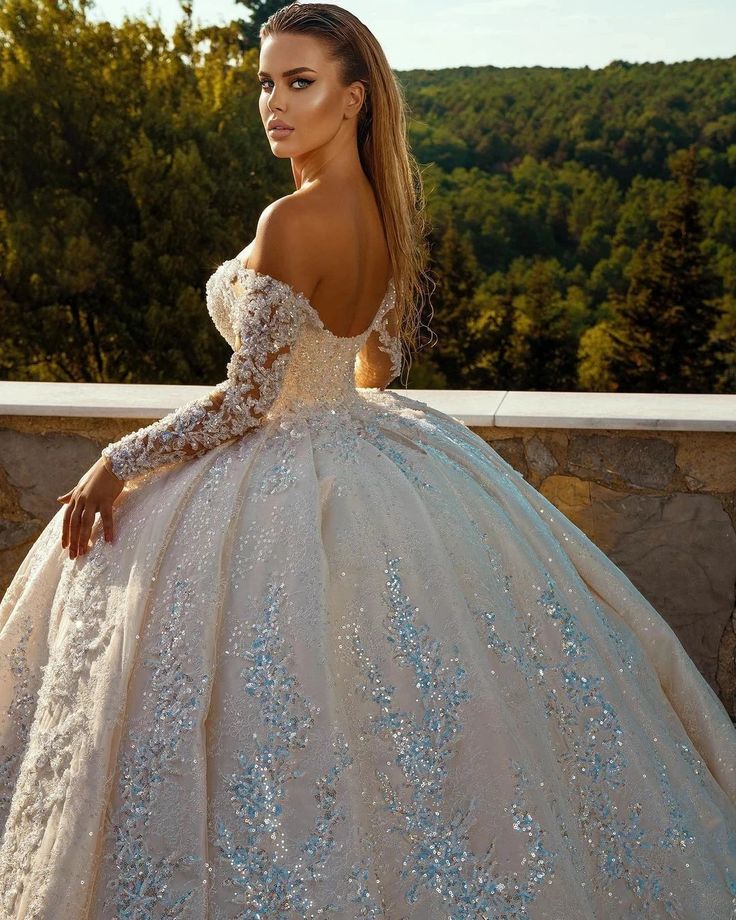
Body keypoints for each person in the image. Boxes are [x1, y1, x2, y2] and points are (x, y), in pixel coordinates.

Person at [1, 3, 735, 917]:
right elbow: (375, 361)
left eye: (299, 83)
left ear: (352, 98)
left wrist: (116, 463)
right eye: (266, 82)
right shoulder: (383, 209)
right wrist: (329, 393)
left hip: (286, 455)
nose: (274, 103)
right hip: (365, 446)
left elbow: (244, 403)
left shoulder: (291, 220)